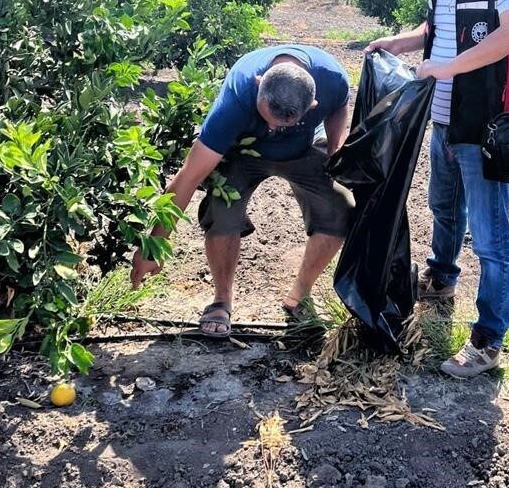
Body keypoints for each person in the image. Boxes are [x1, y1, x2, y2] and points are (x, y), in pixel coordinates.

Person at [366, 0, 509, 379]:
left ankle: (488, 341)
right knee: (442, 206)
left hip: (485, 123)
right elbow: (434, 32)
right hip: (442, 118)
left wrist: (444, 69)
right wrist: (400, 44)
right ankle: (441, 279)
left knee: (490, 236)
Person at [130, 45, 354, 338]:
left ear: (312, 106)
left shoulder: (332, 79)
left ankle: (299, 297)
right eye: (267, 118)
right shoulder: (236, 100)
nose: (272, 128)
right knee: (222, 210)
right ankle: (221, 301)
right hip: (244, 149)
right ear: (259, 83)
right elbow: (189, 176)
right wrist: (153, 246)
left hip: (303, 148)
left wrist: (337, 145)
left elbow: (339, 104)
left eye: (282, 123)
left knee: (340, 208)